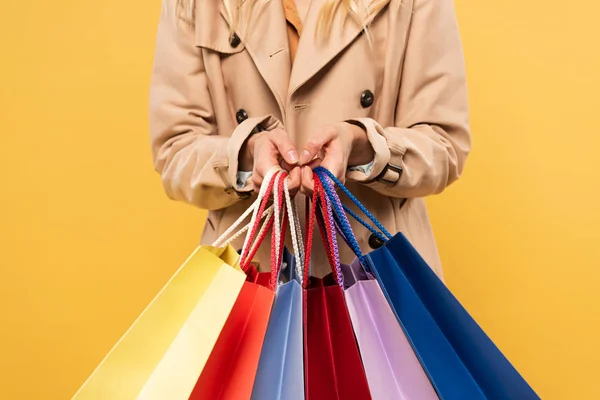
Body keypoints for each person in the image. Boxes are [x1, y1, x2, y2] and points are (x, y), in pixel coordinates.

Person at [149, 0, 470, 278]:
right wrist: (245, 154)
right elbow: (174, 150)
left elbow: (444, 145)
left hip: (378, 276)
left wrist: (365, 146)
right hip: (247, 276)